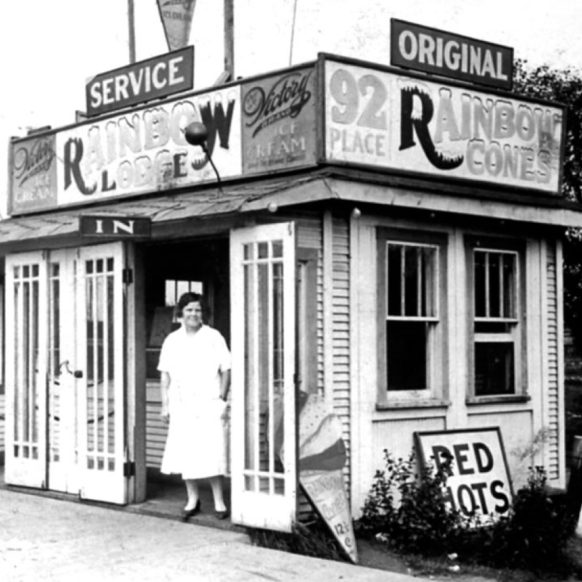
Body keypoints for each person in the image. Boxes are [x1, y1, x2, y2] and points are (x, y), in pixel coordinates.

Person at [158, 292, 231, 521]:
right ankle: (192, 499)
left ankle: (219, 501)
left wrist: (221, 398)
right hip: (181, 403)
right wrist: (165, 405)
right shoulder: (172, 340)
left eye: (197, 310)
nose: (193, 314)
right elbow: (165, 375)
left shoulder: (213, 336)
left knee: (212, 450)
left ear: (202, 314)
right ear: (180, 313)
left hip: (208, 402)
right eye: (189, 310)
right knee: (185, 451)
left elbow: (226, 369)